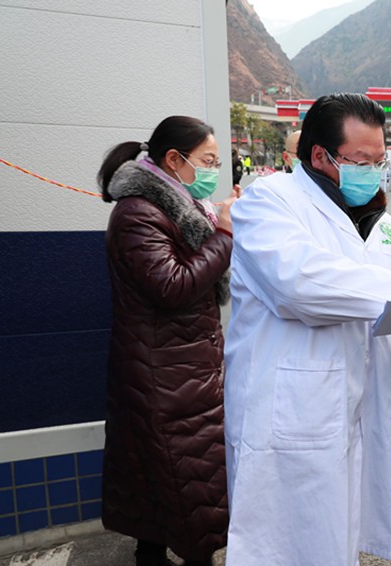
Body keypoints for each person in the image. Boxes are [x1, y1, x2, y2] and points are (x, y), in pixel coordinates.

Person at [223, 93, 391, 566]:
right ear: (319, 156)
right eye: (360, 161)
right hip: (292, 418)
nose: (373, 171)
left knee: (337, 543)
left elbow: (382, 314)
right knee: (283, 546)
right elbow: (301, 286)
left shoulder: (382, 224)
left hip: (354, 410)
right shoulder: (270, 202)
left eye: (379, 160)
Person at [98, 115, 239, 566]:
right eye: (208, 161)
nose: (214, 170)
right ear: (174, 159)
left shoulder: (176, 203)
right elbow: (172, 286)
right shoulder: (139, 213)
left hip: (175, 365)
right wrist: (224, 235)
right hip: (164, 373)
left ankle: (152, 552)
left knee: (158, 476)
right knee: (189, 479)